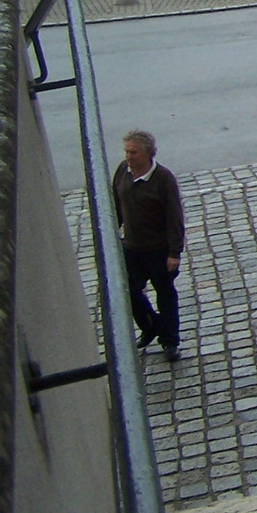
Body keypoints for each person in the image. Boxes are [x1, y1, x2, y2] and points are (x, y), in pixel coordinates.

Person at [112, 130, 186, 363]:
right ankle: (150, 325)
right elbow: (116, 204)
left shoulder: (163, 179)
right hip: (132, 248)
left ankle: (170, 341)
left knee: (165, 295)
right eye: (127, 152)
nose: (129, 157)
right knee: (129, 292)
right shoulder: (123, 171)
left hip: (158, 250)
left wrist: (174, 253)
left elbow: (174, 217)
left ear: (147, 153)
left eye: (133, 152)